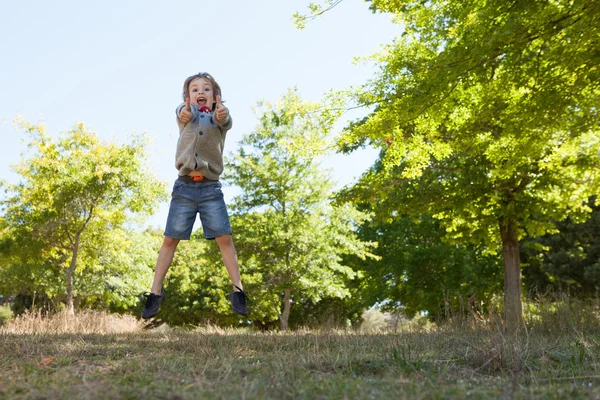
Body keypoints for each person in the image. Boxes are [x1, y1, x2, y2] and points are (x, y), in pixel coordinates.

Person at [142, 72, 248, 319]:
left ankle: (238, 290)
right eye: (195, 90)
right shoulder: (185, 116)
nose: (201, 92)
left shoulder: (219, 118)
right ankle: (155, 293)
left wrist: (222, 113)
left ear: (215, 97)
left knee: (225, 238)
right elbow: (182, 112)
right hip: (184, 189)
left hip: (211, 190)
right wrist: (185, 110)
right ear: (187, 97)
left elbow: (226, 119)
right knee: (170, 239)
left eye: (207, 89)